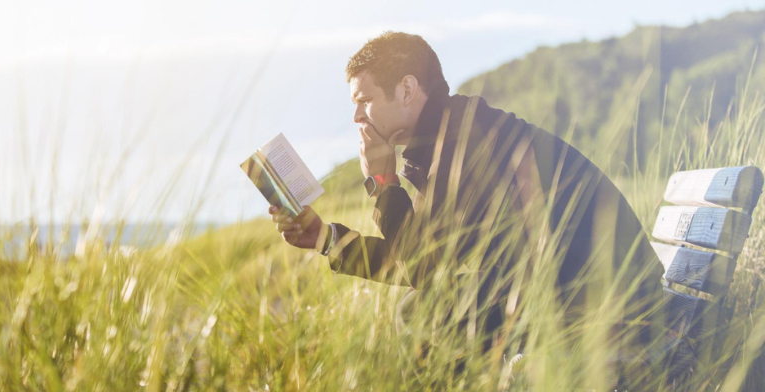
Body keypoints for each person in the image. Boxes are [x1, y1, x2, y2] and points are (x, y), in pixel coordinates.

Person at [269, 31, 665, 365]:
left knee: (422, 312)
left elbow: (421, 268)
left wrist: (385, 181)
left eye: (364, 99)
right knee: (429, 306)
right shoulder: (447, 137)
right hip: (582, 294)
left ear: (407, 89)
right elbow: (423, 261)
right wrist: (325, 238)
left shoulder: (466, 142)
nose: (357, 117)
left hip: (617, 310)